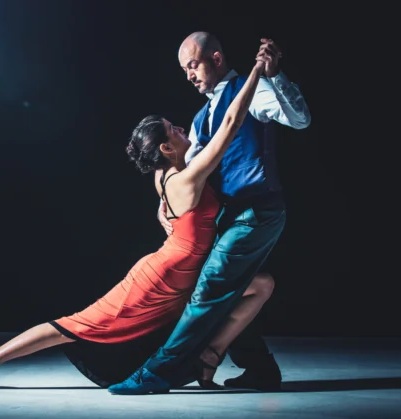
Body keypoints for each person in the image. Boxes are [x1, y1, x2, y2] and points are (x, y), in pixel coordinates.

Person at [0, 53, 271, 391]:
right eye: (175, 130)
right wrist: (256, 72)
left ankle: (210, 356)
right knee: (74, 326)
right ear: (166, 147)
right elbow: (232, 123)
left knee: (261, 285)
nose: (182, 128)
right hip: (161, 280)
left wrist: (163, 214)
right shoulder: (187, 180)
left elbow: (166, 208)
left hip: (186, 271)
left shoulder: (164, 172)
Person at [108, 32, 311, 395]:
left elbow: (299, 120)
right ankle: (259, 368)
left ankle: (158, 372)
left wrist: (276, 76)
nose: (189, 75)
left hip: (257, 209)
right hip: (229, 217)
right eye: (184, 69)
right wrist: (164, 200)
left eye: (193, 65)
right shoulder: (201, 117)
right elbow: (189, 167)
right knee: (232, 289)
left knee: (210, 289)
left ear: (216, 59)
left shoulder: (254, 90)